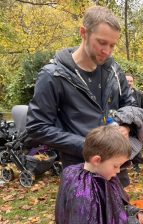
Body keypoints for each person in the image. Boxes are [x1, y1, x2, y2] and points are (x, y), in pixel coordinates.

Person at [26, 6, 136, 170]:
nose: (107, 51)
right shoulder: (53, 75)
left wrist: (125, 126)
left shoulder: (113, 69)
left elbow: (130, 105)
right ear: (83, 33)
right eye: (102, 42)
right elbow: (37, 127)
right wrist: (87, 145)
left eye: (113, 45)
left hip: (116, 168)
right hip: (80, 170)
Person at [125, 74, 143, 173]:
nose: (129, 83)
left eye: (131, 81)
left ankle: (136, 164)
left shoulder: (138, 94)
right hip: (124, 123)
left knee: (137, 142)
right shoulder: (120, 93)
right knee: (125, 142)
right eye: (127, 81)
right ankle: (125, 161)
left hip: (136, 123)